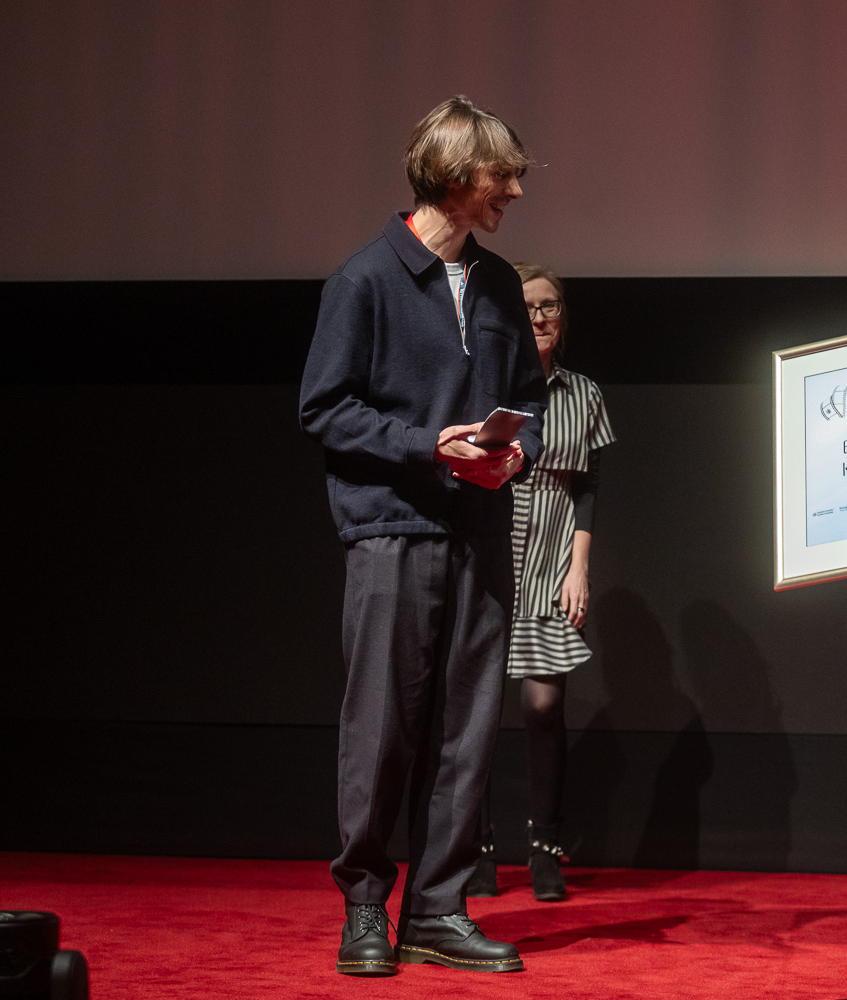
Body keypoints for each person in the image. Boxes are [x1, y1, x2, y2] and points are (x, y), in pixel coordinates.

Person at [299, 96, 548, 977]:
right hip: (392, 531)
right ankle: (366, 906)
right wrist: (425, 445)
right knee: (382, 728)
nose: (515, 190)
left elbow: (532, 402)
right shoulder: (364, 281)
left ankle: (438, 908)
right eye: (501, 175)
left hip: (479, 530)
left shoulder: (499, 283)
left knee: (466, 731)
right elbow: (324, 408)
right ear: (452, 174)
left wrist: (513, 458)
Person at [468, 262, 616, 902]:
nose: (540, 317)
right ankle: (474, 846)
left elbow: (589, 487)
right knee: (476, 710)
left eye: (550, 305)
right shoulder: (487, 384)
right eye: (528, 307)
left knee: (543, 705)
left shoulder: (584, 393)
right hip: (491, 551)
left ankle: (544, 847)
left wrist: (581, 567)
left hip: (553, 554)